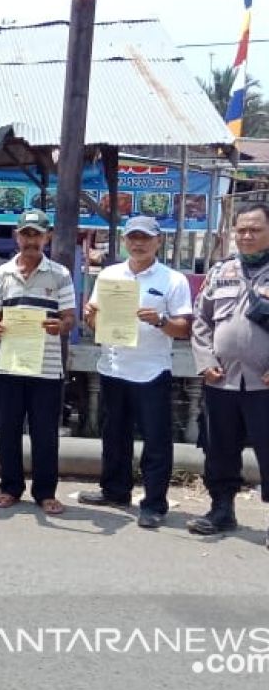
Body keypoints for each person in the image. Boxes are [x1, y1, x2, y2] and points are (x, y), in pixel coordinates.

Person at [80, 216, 193, 529]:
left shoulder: (173, 280)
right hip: (113, 367)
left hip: (151, 370)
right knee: (113, 435)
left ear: (158, 242)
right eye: (132, 238)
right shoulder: (109, 275)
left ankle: (154, 503)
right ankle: (115, 491)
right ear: (124, 241)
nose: (138, 244)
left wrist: (159, 321)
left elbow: (184, 329)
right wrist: (90, 316)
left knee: (156, 441)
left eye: (145, 238)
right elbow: (93, 323)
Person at [0, 208, 77, 516]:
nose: (31, 240)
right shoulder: (1, 274)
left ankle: (45, 492)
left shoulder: (60, 274)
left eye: (37, 234)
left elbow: (69, 319)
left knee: (45, 432)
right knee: (7, 429)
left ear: (47, 237)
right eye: (26, 234)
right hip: (8, 363)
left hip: (46, 367)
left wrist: (59, 327)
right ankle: (9, 487)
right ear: (17, 236)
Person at [189, 202, 269, 543]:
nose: (247, 236)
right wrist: (205, 360)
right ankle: (222, 509)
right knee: (219, 448)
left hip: (264, 383)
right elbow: (201, 320)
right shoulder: (221, 271)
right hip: (221, 380)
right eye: (241, 230)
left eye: (255, 229)